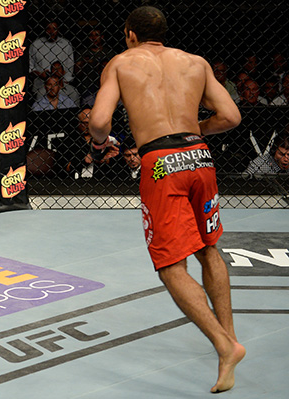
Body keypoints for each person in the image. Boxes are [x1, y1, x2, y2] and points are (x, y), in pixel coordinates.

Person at [88, 6, 245, 393]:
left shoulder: (122, 63)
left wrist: (98, 143)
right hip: (200, 157)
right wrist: (195, 129)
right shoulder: (195, 62)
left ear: (129, 34)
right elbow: (230, 116)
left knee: (170, 264)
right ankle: (231, 338)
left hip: (161, 164)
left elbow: (99, 120)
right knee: (209, 249)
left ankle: (225, 346)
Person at [29, 21, 75, 98]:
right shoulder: (36, 45)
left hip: (62, 87)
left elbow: (70, 66)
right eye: (48, 29)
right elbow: (30, 67)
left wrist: (63, 82)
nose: (51, 32)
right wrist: (40, 74)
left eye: (54, 29)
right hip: (40, 86)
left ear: (58, 30)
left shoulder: (66, 44)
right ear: (44, 30)